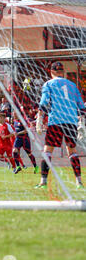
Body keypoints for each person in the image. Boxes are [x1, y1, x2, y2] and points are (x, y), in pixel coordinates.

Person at [35, 61, 86, 189]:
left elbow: (44, 101)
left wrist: (39, 118)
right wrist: (82, 122)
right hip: (70, 121)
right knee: (72, 151)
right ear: (62, 72)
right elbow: (81, 105)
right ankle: (79, 182)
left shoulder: (48, 84)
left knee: (47, 151)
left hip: (56, 120)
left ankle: (43, 181)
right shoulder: (73, 85)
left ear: (51, 72)